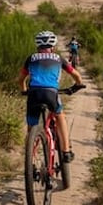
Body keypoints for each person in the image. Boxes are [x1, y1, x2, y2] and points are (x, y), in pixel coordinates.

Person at [19, 30, 84, 163]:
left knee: (31, 126)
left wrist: (24, 90)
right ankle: (66, 151)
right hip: (51, 93)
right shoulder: (58, 58)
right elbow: (76, 75)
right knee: (60, 117)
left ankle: (30, 157)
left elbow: (21, 79)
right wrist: (77, 85)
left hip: (33, 94)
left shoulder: (31, 58)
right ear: (53, 47)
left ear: (38, 47)